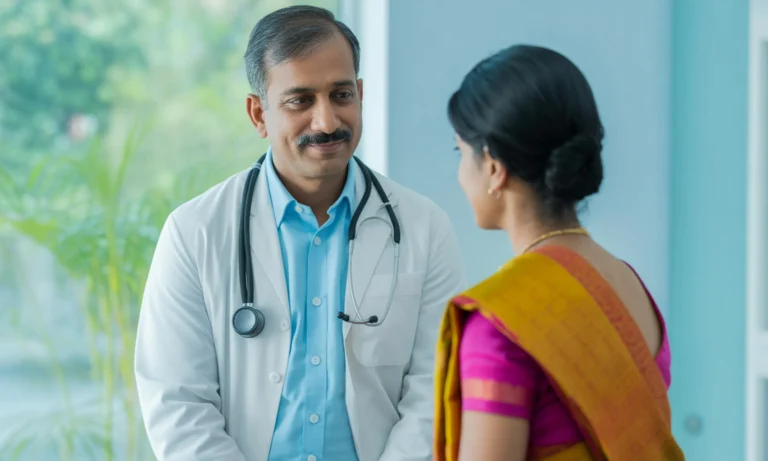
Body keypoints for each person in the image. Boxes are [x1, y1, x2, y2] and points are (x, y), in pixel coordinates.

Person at [134, 6, 465, 461]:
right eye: (300, 100)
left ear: (361, 95)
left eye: (341, 94)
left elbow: (435, 390)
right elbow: (178, 403)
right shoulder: (195, 233)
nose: (327, 121)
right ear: (259, 114)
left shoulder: (425, 229)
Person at [432, 44, 685, 461]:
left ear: (493, 167)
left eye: (460, 152)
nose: (460, 173)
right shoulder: (628, 283)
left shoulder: (501, 323)